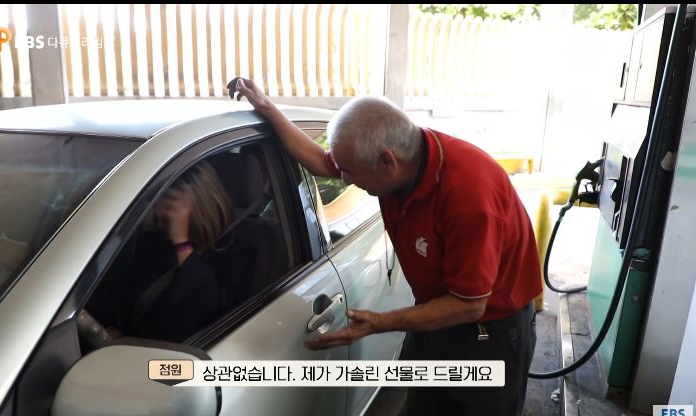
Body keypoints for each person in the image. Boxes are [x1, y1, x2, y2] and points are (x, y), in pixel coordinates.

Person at [227, 77, 542, 416]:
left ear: (387, 162)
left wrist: (380, 321)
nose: (342, 178)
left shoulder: (468, 197)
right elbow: (320, 161)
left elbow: (469, 306)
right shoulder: (395, 157)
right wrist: (267, 108)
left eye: (348, 172)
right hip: (435, 315)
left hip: (488, 333)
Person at [85, 162, 233, 344]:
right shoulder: (155, 242)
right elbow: (121, 294)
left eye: (170, 204)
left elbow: (192, 317)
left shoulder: (232, 251)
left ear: (197, 205)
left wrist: (181, 242)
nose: (158, 210)